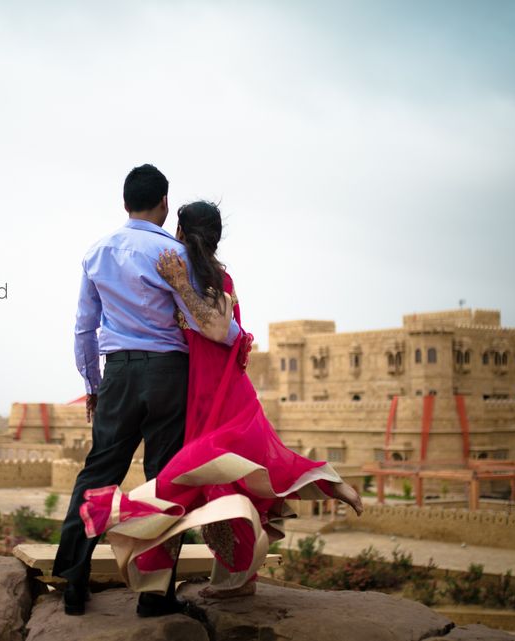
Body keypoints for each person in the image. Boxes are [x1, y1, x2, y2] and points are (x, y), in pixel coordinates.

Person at [77, 200, 363, 602]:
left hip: (222, 404)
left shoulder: (206, 280)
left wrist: (178, 286)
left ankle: (112, 515)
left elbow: (217, 330)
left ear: (181, 232)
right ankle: (235, 581)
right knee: (224, 490)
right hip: (208, 400)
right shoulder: (201, 275)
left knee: (185, 484)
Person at [52, 166, 241, 618]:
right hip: (169, 376)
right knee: (163, 481)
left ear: (124, 204)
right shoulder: (174, 255)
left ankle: (73, 583)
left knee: (97, 475)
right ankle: (154, 595)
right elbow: (204, 321)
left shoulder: (97, 252)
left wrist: (93, 385)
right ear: (164, 204)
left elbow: (84, 327)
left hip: (118, 372)